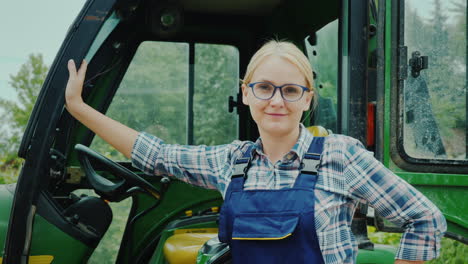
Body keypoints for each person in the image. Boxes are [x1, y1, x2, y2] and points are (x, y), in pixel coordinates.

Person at [65, 40, 446, 264]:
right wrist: (80, 109)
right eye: (264, 87)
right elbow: (157, 154)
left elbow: (425, 218)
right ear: (246, 93)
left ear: (307, 98)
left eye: (290, 90)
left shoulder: (340, 156)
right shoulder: (231, 162)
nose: (276, 100)